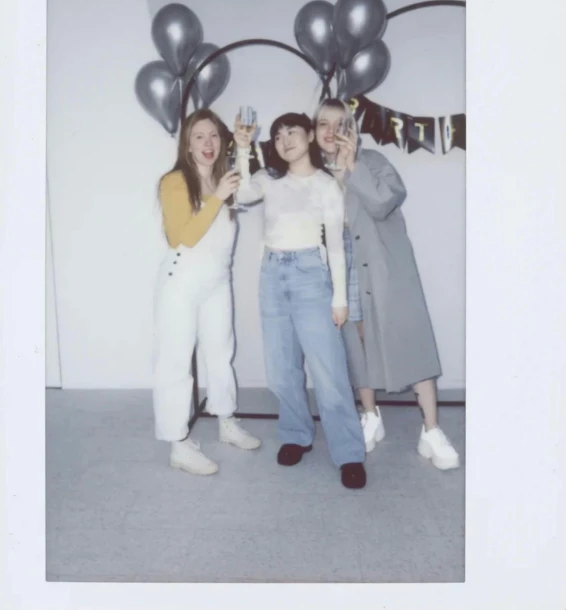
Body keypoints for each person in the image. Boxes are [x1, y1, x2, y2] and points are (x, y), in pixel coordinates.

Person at [313, 98, 460, 471]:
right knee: (356, 345)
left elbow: (383, 203)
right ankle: (370, 415)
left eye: (338, 123)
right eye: (322, 125)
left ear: (351, 129)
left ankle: (431, 430)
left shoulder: (374, 162)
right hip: (344, 274)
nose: (330, 132)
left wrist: (352, 168)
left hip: (384, 270)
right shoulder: (315, 176)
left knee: (410, 342)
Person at [233, 111, 367, 489]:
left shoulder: (326, 185)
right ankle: (296, 434)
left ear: (309, 135)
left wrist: (339, 298)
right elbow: (242, 195)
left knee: (329, 372)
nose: (284, 139)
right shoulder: (270, 179)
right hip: (272, 275)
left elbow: (337, 247)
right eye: (277, 136)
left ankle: (350, 453)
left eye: (292, 131)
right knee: (281, 367)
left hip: (312, 275)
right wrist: (243, 151)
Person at [152, 108, 261, 477]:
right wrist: (217, 197)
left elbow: (249, 192)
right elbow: (185, 235)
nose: (208, 143)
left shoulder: (223, 178)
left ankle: (227, 421)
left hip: (217, 282)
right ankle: (177, 444)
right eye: (199, 136)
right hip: (180, 282)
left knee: (220, 354)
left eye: (214, 135)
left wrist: (243, 151)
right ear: (187, 143)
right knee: (176, 363)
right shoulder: (174, 182)